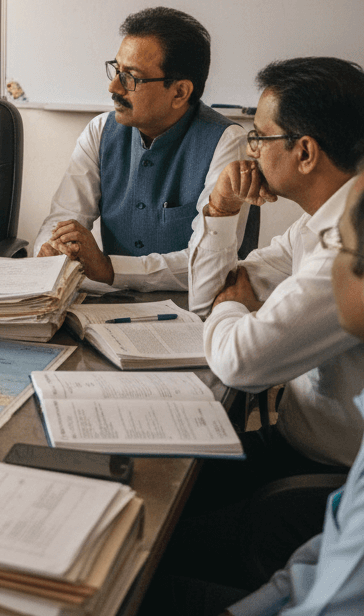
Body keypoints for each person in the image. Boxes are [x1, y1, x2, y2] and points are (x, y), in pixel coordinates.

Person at [155, 57, 364, 597]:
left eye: (259, 136)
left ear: (305, 151)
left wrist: (233, 306)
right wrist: (222, 209)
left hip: (321, 482)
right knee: (153, 484)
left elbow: (241, 362)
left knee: (152, 539)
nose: (251, 149)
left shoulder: (344, 250)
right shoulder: (322, 220)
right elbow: (216, 295)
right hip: (289, 445)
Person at [34, 6, 246, 299]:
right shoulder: (99, 131)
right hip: (113, 306)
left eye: (131, 77)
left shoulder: (226, 141)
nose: (113, 86)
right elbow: (62, 218)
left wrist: (110, 269)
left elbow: (208, 262)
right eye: (116, 69)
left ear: (180, 92)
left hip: (197, 312)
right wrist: (51, 249)